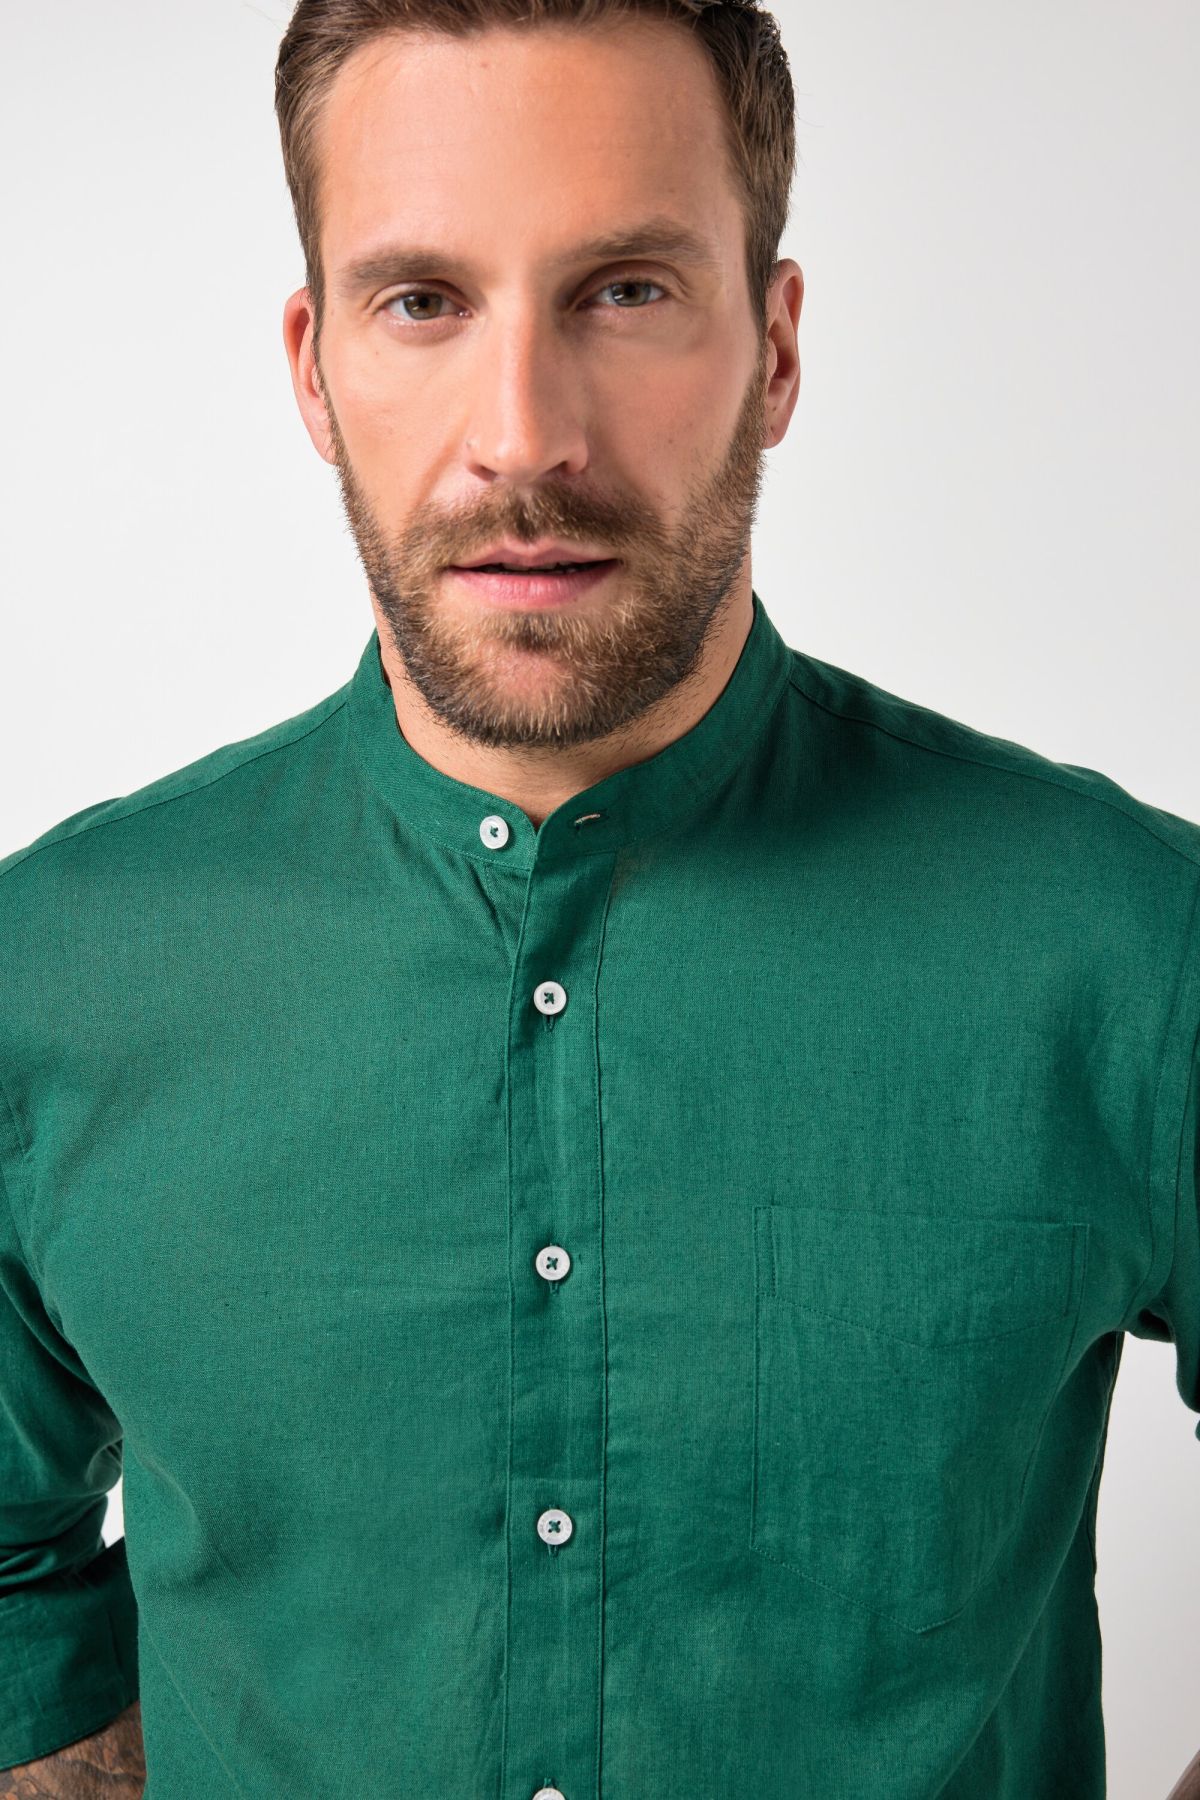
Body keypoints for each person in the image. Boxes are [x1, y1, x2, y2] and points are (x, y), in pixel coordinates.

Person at [0, 3, 1197, 1796]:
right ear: (314, 368)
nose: (524, 436)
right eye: (424, 300)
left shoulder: (1129, 943)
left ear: (774, 349)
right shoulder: (53, 972)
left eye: (625, 291)